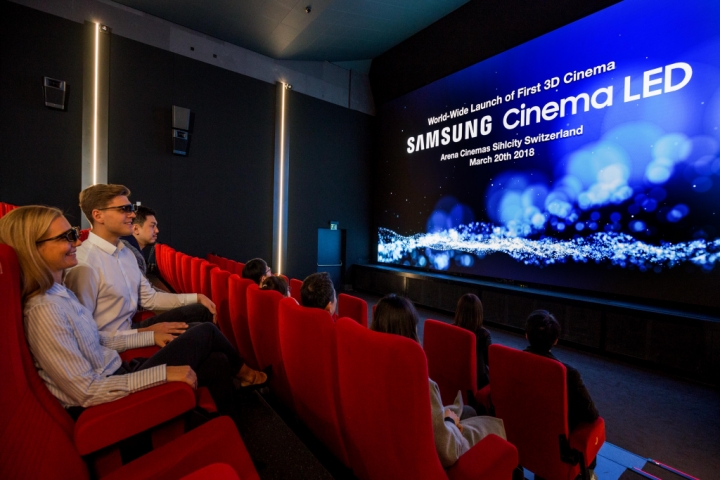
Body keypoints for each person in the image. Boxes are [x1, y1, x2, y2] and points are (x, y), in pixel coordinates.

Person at [0, 206, 267, 420]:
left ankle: (230, 433)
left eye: (74, 234)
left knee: (217, 361)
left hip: (116, 370)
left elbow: (97, 339)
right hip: (107, 397)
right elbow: (86, 392)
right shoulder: (45, 310)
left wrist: (149, 335)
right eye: (67, 237)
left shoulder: (58, 293)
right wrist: (162, 374)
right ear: (33, 248)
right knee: (206, 331)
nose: (77, 242)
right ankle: (248, 377)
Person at [370, 294, 506, 468]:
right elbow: (446, 450)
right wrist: (449, 422)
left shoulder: (369, 366)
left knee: (469, 411)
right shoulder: (419, 383)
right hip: (437, 451)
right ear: (411, 333)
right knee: (493, 429)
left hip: (397, 446)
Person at [64, 184, 215, 337]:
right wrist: (146, 335)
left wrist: (197, 297)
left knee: (202, 310)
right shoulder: (84, 264)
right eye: (124, 209)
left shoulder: (126, 252)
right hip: (112, 343)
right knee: (206, 333)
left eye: (131, 209)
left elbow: (150, 298)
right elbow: (86, 336)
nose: (132, 215)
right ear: (98, 216)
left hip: (130, 328)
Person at [524, 310, 599, 432]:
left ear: (526, 335)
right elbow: (591, 414)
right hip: (552, 433)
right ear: (556, 341)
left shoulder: (508, 360)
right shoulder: (569, 374)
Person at [453, 294, 491, 389]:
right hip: (477, 385)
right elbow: (490, 363)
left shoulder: (450, 330)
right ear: (479, 313)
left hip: (453, 379)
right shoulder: (483, 336)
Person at [119, 205, 158, 275]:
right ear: (136, 229)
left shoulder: (131, 249)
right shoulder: (130, 254)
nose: (157, 230)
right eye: (152, 226)